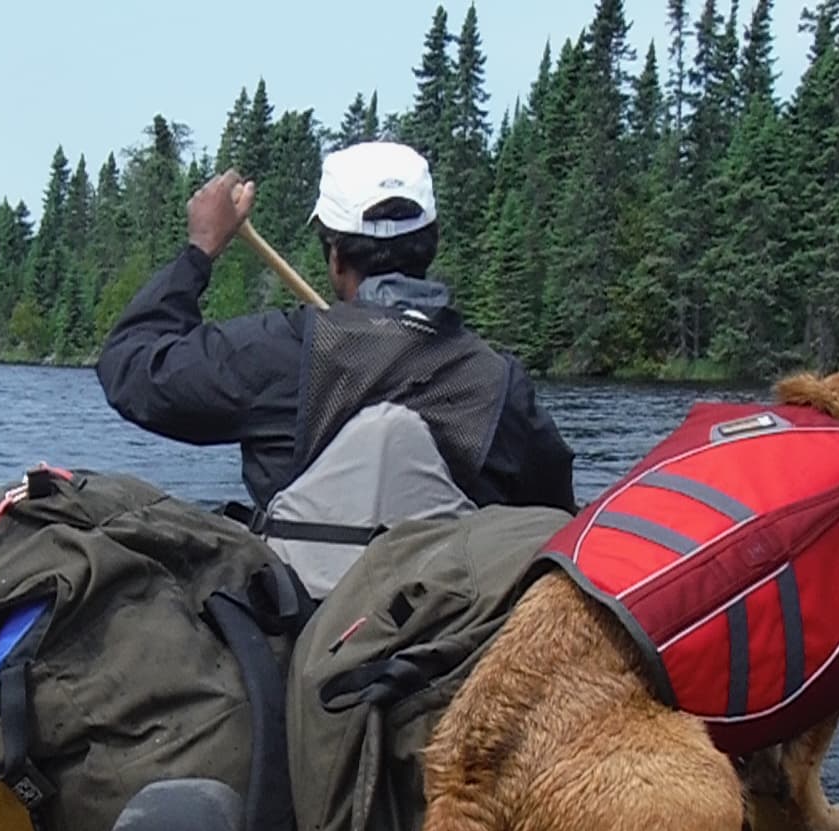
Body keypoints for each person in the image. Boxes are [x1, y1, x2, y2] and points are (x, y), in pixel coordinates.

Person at [95, 142, 576, 574]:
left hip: (300, 645)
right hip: (447, 645)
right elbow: (554, 523)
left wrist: (200, 250)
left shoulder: (285, 354)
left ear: (336, 257)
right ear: (430, 244)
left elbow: (132, 365)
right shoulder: (499, 383)